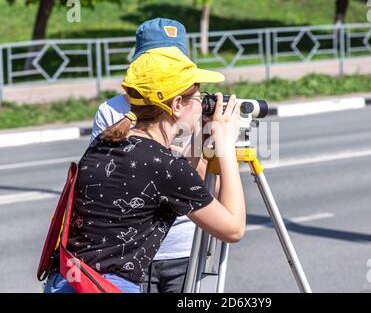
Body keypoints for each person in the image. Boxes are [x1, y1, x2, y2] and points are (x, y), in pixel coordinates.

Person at [44, 46, 246, 293]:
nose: (202, 104)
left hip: (68, 281)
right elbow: (233, 229)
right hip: (108, 287)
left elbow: (173, 181)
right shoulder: (164, 166)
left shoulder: (106, 142)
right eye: (198, 97)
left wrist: (201, 136)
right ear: (177, 105)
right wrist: (225, 146)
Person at [90, 18, 204, 293]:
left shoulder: (192, 107)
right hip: (131, 249)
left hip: (184, 245)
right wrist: (164, 158)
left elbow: (204, 187)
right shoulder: (112, 112)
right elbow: (107, 183)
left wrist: (200, 149)